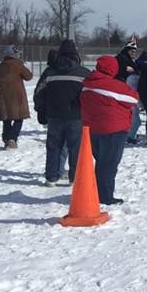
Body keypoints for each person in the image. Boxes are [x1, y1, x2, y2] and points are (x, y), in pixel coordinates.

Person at [80, 56, 138, 206]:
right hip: (114, 130)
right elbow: (133, 99)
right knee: (109, 164)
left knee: (101, 162)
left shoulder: (88, 83)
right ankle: (105, 196)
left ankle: (96, 191)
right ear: (113, 69)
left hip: (92, 129)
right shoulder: (113, 85)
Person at [33, 40, 89, 186]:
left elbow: (39, 93)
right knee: (75, 148)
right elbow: (91, 94)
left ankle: (51, 177)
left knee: (54, 147)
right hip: (76, 116)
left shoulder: (49, 73)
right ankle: (74, 178)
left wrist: (41, 110)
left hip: (54, 116)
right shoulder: (83, 73)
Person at [0, 45, 32, 150]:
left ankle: (6, 139)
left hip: (4, 97)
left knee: (6, 119)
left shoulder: (0, 66)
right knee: (19, 118)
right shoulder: (18, 64)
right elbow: (29, 76)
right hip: (17, 97)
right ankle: (12, 139)